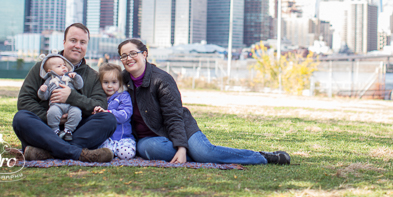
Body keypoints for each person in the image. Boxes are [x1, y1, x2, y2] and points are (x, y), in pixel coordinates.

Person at [118, 38, 290, 165]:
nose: (128, 58)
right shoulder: (121, 81)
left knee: (205, 152)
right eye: (123, 56)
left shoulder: (161, 79)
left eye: (133, 53)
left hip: (180, 127)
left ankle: (262, 157)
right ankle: (197, 156)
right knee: (149, 149)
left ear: (145, 54)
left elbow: (173, 116)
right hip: (150, 137)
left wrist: (181, 147)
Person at [13, 23, 117, 162]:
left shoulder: (93, 76)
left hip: (76, 130)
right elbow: (24, 101)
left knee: (108, 119)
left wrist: (71, 97)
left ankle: (48, 152)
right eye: (73, 40)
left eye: (82, 42)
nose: (77, 46)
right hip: (46, 128)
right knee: (21, 118)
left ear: (87, 46)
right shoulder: (44, 67)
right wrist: (49, 117)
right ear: (64, 42)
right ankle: (79, 153)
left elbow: (99, 105)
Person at [93, 63, 136, 160]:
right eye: (105, 82)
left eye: (113, 82)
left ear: (120, 83)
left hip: (124, 138)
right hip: (107, 139)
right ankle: (111, 153)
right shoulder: (100, 98)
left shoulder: (123, 96)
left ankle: (116, 153)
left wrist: (108, 113)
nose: (109, 86)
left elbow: (125, 114)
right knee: (103, 151)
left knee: (126, 154)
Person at [38, 53, 84, 140]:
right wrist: (42, 91)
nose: (63, 67)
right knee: (52, 113)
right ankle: (55, 130)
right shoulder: (49, 81)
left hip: (71, 105)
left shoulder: (70, 77)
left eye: (64, 65)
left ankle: (68, 131)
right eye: (59, 66)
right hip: (56, 105)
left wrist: (76, 77)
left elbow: (79, 86)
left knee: (77, 112)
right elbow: (45, 97)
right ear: (50, 71)